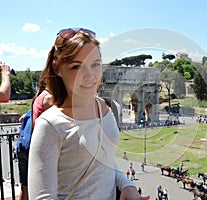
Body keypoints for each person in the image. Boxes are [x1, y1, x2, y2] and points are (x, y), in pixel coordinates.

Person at [27, 28, 149, 200]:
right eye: (76, 66)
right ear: (57, 69)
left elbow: (104, 161)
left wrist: (126, 185)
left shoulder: (106, 109)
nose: (90, 75)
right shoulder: (49, 125)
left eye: (96, 64)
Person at [17, 74, 53, 200]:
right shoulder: (48, 98)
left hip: (23, 146)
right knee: (40, 189)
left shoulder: (37, 99)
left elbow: (23, 118)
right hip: (34, 148)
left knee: (25, 187)